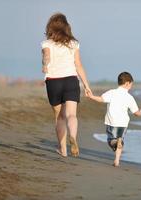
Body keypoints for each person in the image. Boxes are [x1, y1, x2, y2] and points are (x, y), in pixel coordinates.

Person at [41, 13, 92, 157]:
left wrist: (45, 65)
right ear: (67, 27)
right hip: (71, 80)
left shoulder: (47, 43)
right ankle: (73, 137)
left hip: (53, 81)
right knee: (71, 115)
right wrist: (86, 86)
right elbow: (79, 65)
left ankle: (63, 149)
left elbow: (46, 56)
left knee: (59, 117)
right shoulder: (73, 44)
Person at [88, 72, 139, 167]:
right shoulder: (129, 97)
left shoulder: (112, 92)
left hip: (112, 122)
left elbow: (101, 99)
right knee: (121, 139)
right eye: (131, 84)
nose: (131, 86)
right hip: (123, 124)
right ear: (127, 83)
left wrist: (91, 97)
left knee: (111, 140)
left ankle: (116, 142)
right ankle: (117, 160)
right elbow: (136, 112)